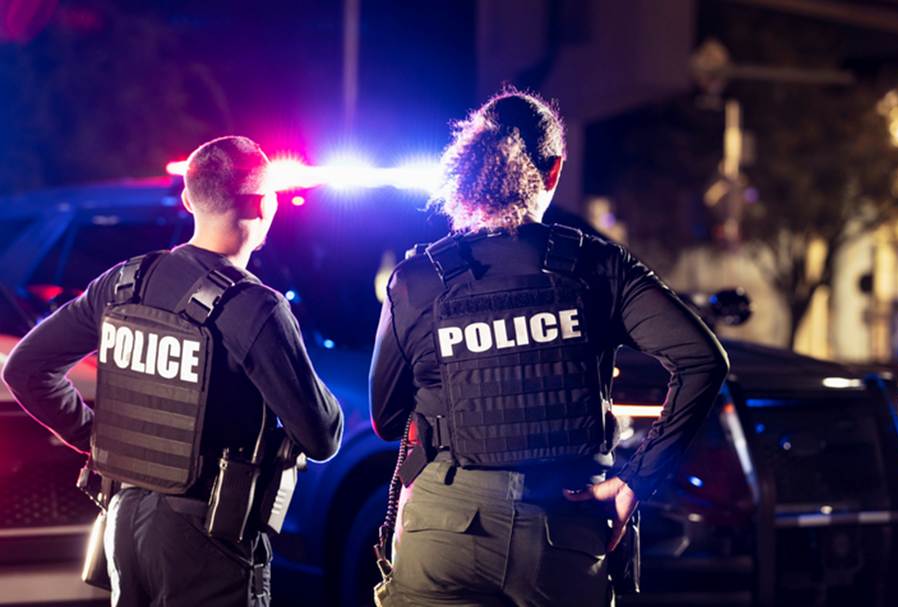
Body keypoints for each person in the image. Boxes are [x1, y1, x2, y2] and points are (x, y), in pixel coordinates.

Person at [369, 90, 729, 607]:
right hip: (565, 529)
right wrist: (636, 481)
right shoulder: (598, 266)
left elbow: (386, 419)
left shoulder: (419, 278)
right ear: (555, 170)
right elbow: (702, 359)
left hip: (445, 529)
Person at [2, 136, 344, 606]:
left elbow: (25, 369)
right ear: (265, 205)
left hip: (123, 526)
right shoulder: (255, 306)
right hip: (207, 536)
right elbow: (322, 437)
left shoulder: (124, 282)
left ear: (187, 199)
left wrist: (100, 440)